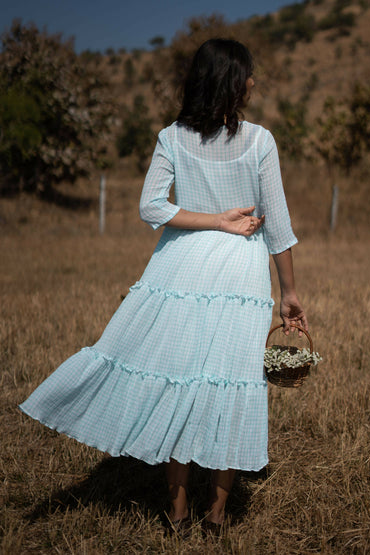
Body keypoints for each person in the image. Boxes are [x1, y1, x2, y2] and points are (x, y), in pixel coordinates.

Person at [19, 38, 307, 534]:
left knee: (178, 381)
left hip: (179, 269)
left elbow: (153, 207)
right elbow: (276, 225)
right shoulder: (261, 141)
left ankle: (176, 515)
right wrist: (290, 293)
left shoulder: (171, 137)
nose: (254, 81)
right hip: (240, 275)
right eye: (249, 74)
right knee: (230, 386)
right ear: (233, 83)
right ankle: (216, 516)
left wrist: (210, 220)